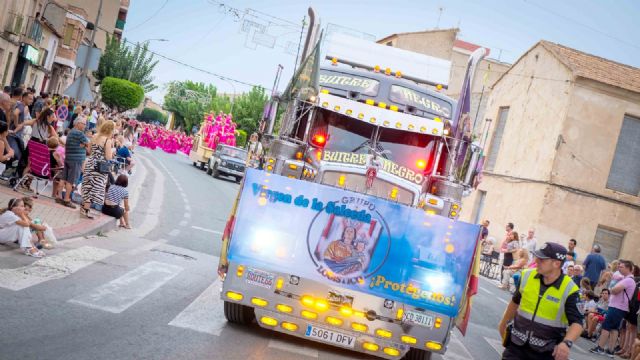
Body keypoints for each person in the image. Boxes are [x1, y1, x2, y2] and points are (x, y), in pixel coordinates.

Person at [498, 242, 582, 360]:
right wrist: (503, 323)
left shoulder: (570, 289)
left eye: (542, 260)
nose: (536, 261)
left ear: (556, 263)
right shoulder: (527, 275)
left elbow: (577, 322)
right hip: (516, 345)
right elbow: (515, 302)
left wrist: (566, 343)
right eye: (537, 257)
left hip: (546, 352)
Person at [590, 260, 636, 356]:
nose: (619, 268)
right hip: (619, 307)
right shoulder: (626, 279)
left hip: (617, 307)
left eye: (622, 267)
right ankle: (610, 350)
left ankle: (600, 347)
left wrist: (611, 288)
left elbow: (614, 290)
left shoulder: (628, 280)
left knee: (606, 326)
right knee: (614, 329)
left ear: (628, 268)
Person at [81, 120, 114, 219]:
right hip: (100, 167)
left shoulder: (95, 136)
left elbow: (89, 150)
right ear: (111, 130)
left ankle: (84, 209)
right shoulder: (107, 140)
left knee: (88, 186)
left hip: (90, 163)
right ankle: (87, 211)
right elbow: (108, 157)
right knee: (96, 188)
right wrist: (111, 152)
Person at [58, 117, 88, 208]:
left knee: (63, 178)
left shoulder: (70, 132)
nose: (85, 126)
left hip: (68, 158)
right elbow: (89, 146)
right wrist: (84, 146)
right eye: (83, 123)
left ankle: (58, 196)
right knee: (71, 181)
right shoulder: (80, 134)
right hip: (76, 160)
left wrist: (83, 145)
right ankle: (67, 199)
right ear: (78, 123)